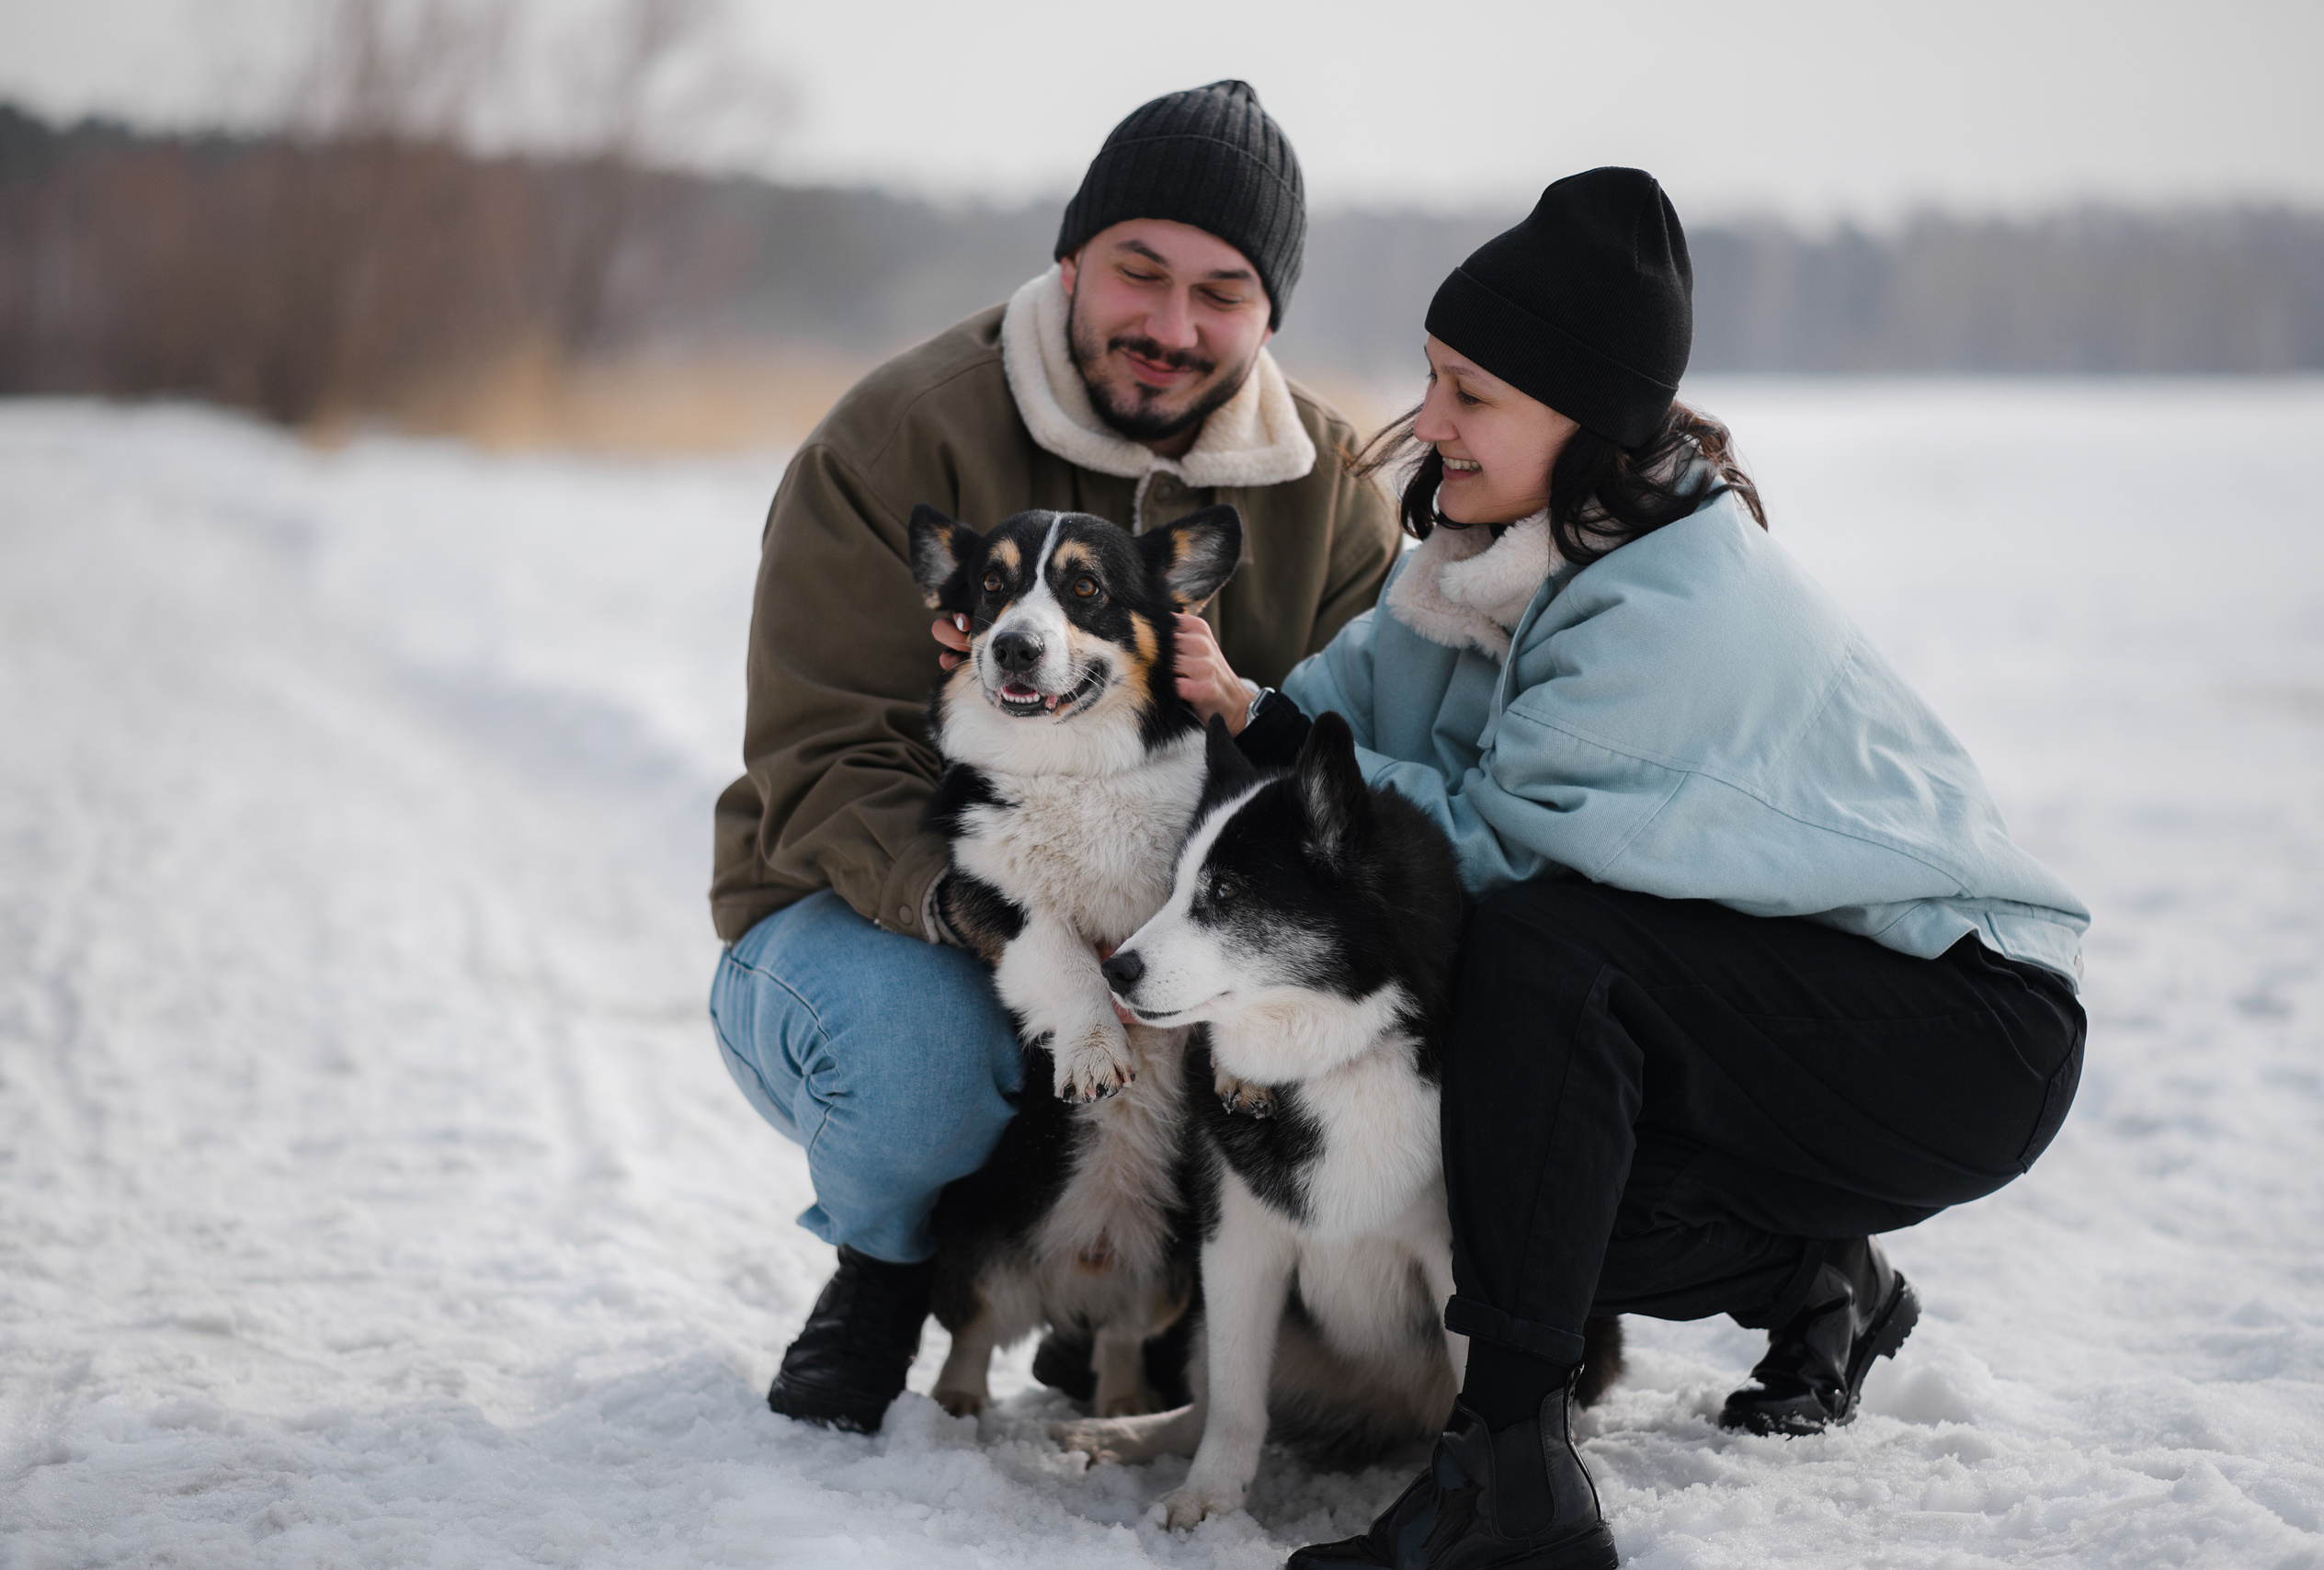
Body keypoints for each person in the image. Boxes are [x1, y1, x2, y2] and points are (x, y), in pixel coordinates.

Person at [1170, 169, 2090, 1570]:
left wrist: (1285, 751)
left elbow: (1474, 860)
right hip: (1786, 1002)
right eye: (1431, 377)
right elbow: (1323, 726)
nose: (1433, 421)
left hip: (1963, 1027)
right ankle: (1820, 1283)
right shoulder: (1482, 557)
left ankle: (1510, 1482)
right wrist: (1205, 714)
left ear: (1583, 418)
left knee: (1540, 961)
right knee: (1521, 1182)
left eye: (1472, 393)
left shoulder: (1667, 603)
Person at [708, 79, 1399, 1435]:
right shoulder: (899, 432)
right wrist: (986, 914)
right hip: (870, 914)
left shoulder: (1328, 488)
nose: (1172, 327)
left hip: (1170, 914)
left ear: (1269, 318)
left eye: (1222, 294)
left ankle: (1165, 1297)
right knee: (929, 1053)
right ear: (1071, 261)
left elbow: (1359, 759)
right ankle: (885, 1269)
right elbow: (822, 753)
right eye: (1140, 272)